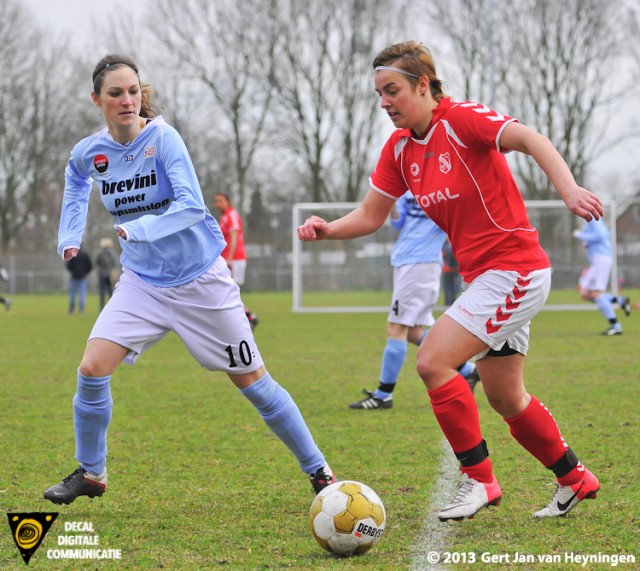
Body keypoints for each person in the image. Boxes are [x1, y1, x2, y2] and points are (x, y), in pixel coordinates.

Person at [298, 41, 603, 520]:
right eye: (379, 93)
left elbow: (529, 139)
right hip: (485, 278)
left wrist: (569, 190)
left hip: (515, 269)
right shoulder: (399, 149)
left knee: (433, 361)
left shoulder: (460, 120)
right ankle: (574, 478)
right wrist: (328, 228)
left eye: (392, 90)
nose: (384, 103)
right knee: (506, 396)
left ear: (423, 85)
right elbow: (371, 214)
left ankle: (479, 480)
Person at [44, 54, 335, 506]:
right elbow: (76, 178)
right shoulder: (91, 152)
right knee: (92, 369)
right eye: (116, 93)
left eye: (133, 91)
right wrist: (69, 236)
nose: (127, 100)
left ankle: (319, 470)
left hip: (202, 282)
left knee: (255, 384)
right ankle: (92, 471)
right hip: (143, 283)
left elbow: (190, 207)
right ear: (96, 99)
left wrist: (135, 228)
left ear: (142, 94)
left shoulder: (163, 139)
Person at [349, 190, 480, 410]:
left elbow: (453, 220)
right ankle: (467, 370)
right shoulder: (409, 186)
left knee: (396, 327)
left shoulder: (443, 184)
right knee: (411, 331)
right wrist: (389, 197)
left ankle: (383, 395)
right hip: (405, 261)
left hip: (421, 263)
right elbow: (400, 223)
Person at [573, 218, 631, 335]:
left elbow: (601, 235)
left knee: (595, 293)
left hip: (601, 259)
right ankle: (620, 300)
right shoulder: (588, 221)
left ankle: (616, 326)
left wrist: (580, 235)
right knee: (585, 294)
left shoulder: (592, 218)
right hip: (597, 260)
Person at [214, 193, 258, 330]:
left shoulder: (231, 215)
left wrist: (230, 258)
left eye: (221, 201)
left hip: (235, 259)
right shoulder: (224, 217)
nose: (218, 204)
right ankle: (247, 318)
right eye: (216, 202)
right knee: (226, 291)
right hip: (227, 259)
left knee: (229, 291)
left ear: (228, 201)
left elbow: (234, 236)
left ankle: (247, 318)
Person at [65, 248, 93, 313]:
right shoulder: (85, 255)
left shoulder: (72, 255)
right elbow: (90, 266)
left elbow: (68, 266)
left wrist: (73, 271)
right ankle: (81, 309)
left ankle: (71, 308)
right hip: (83, 276)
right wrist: (85, 272)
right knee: (82, 294)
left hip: (74, 277)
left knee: (72, 294)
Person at [95, 237, 118, 310]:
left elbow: (97, 262)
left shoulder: (99, 252)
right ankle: (111, 306)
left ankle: (101, 307)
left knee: (102, 291)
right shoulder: (112, 252)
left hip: (101, 274)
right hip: (109, 274)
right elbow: (114, 263)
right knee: (110, 290)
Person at [442, 239, 461, 306]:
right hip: (453, 270)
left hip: (446, 270)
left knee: (447, 287)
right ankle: (452, 303)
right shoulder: (452, 248)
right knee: (453, 287)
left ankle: (447, 302)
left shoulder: (444, 248)